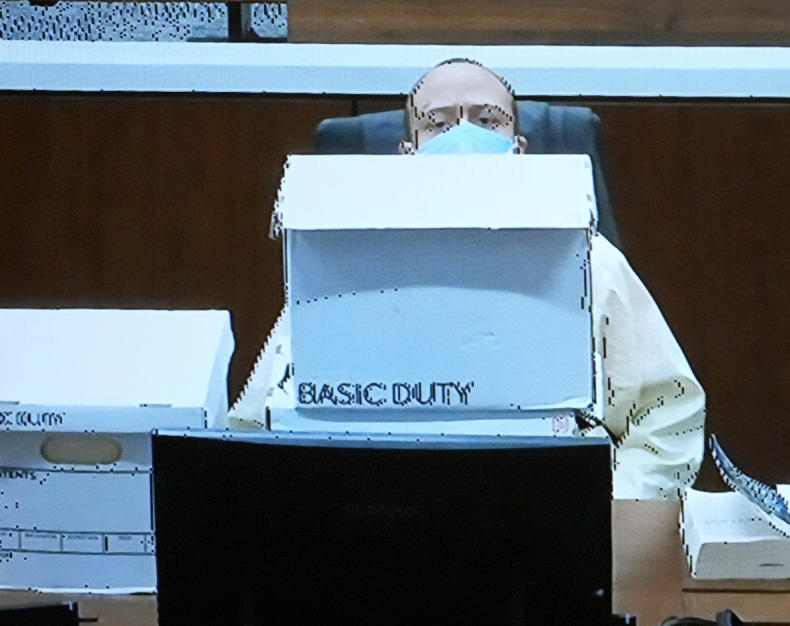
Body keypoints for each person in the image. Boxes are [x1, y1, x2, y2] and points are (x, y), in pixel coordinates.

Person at [231, 59, 706, 500]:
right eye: (437, 124)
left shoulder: (589, 261)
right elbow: (258, 424)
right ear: (407, 153)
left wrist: (609, 512)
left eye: (487, 120)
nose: (462, 135)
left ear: (519, 149)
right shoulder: (343, 266)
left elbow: (666, 414)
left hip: (550, 518)